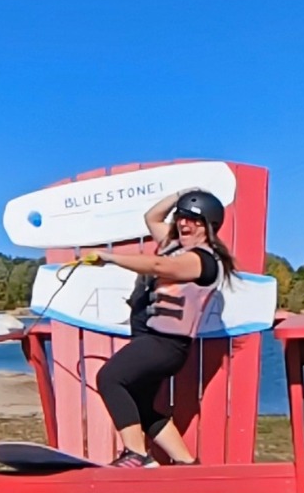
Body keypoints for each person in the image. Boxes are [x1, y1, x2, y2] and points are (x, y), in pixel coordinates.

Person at [94, 188, 237, 468]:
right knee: (143, 407)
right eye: (181, 217)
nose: (184, 224)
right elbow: (152, 218)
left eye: (193, 220)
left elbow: (159, 265)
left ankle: (135, 455)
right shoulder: (176, 246)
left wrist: (110, 258)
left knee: (110, 379)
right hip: (154, 342)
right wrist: (182, 195)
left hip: (165, 345)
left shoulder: (202, 260)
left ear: (210, 226)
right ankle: (186, 462)